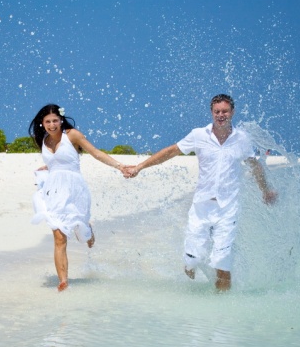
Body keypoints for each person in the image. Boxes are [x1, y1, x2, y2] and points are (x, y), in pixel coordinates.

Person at [123, 94, 277, 291]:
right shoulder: (198, 135)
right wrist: (139, 167)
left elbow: (255, 166)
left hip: (228, 209)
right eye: (217, 112)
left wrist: (265, 190)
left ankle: (221, 303)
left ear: (232, 112)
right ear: (212, 113)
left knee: (222, 261)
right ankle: (196, 275)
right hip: (201, 208)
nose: (221, 115)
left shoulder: (242, 139)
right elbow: (171, 151)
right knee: (191, 261)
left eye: (225, 111)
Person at [29, 104, 127, 292]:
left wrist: (120, 166)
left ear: (61, 120)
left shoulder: (72, 135)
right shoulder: (43, 139)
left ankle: (86, 227)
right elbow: (56, 162)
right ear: (42, 123)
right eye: (48, 121)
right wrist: (49, 167)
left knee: (82, 233)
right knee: (59, 235)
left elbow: (96, 153)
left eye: (55, 121)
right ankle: (63, 281)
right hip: (53, 190)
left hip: (74, 189)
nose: (52, 125)